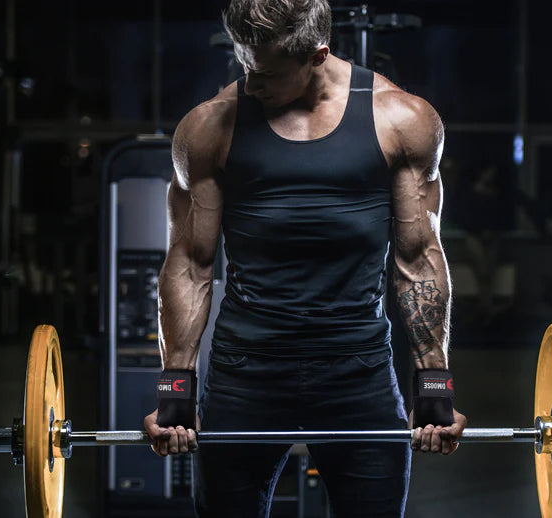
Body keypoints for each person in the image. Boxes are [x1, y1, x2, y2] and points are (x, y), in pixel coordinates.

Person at [143, 1, 466, 516]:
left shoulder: (400, 119)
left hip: (358, 371)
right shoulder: (208, 129)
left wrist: (433, 379)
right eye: (244, 64)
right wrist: (176, 382)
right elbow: (189, 263)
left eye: (266, 72)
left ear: (318, 55)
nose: (249, 85)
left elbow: (419, 258)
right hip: (244, 372)